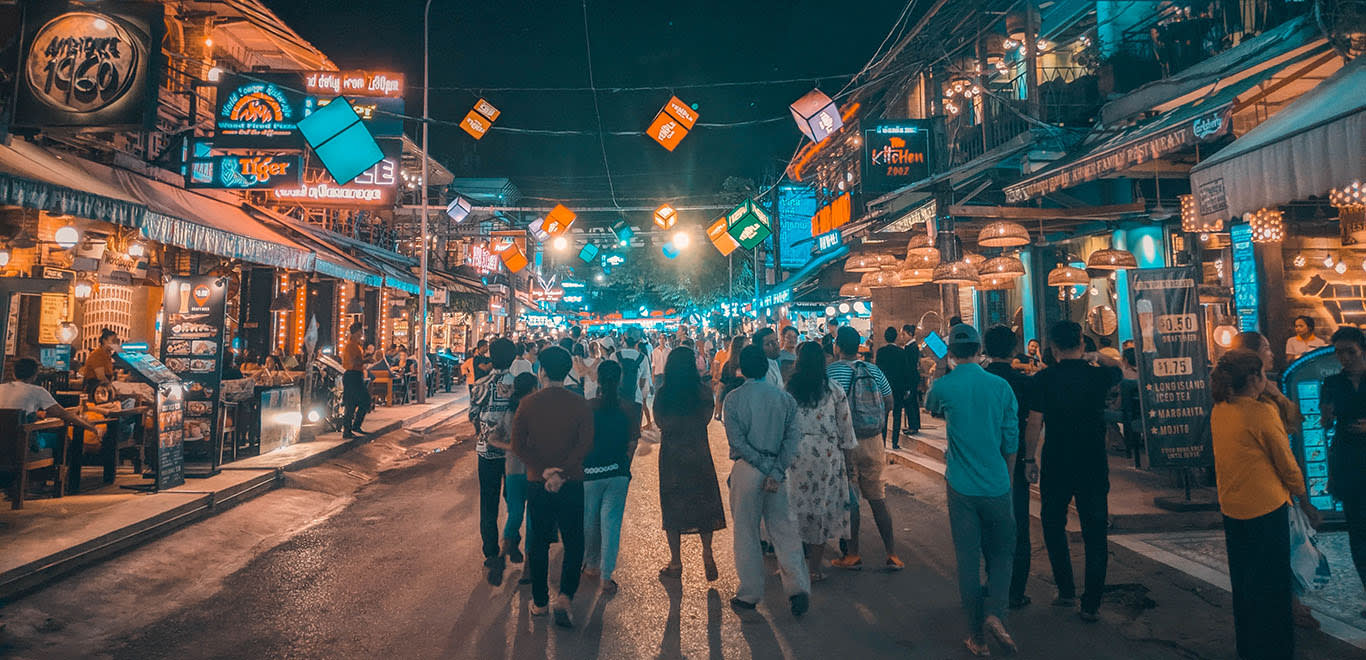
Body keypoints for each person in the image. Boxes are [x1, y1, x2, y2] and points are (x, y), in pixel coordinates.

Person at [1211, 349, 1318, 660]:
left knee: (1245, 584)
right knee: (1272, 587)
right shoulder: (1259, 413)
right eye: (1262, 373)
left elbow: (1286, 424)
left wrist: (1272, 395)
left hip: (1232, 505)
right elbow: (1285, 460)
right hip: (1265, 507)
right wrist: (1304, 498)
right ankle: (1276, 651)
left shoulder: (1222, 409)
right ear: (1254, 378)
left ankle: (1250, 648)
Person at [926, 324, 1021, 656]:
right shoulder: (1000, 386)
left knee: (968, 559)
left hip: (961, 487)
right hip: (997, 482)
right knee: (1002, 555)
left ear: (951, 351)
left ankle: (976, 637)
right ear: (980, 349)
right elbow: (1011, 438)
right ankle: (996, 611)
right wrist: (1006, 478)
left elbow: (930, 405)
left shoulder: (945, 386)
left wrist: (941, 367)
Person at [1024, 321, 1120, 621]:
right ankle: (1091, 604)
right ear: (1082, 344)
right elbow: (1118, 366)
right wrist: (1096, 357)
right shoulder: (1099, 375)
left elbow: (1034, 423)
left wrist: (1029, 460)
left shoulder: (1043, 379)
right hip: (1092, 461)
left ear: (1052, 348)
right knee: (1095, 531)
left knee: (1052, 523)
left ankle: (1066, 591)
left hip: (1057, 461)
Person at [724, 345, 811, 616]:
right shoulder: (784, 399)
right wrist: (775, 470)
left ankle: (749, 594)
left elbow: (736, 441)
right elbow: (793, 438)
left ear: (742, 368)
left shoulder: (734, 399)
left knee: (747, 534)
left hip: (747, 470)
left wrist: (761, 464)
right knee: (784, 531)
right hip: (777, 470)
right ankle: (798, 589)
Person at [511, 346, 594, 627]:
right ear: (568, 369)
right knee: (573, 541)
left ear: (541, 370)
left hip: (537, 481)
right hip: (571, 482)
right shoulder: (579, 402)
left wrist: (544, 470)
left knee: (539, 541)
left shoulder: (528, 404)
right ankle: (566, 596)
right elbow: (585, 445)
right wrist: (563, 472)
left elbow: (517, 445)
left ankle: (540, 601)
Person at [826, 326, 903, 571]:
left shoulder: (831, 372)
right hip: (873, 441)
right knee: (878, 497)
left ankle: (853, 554)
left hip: (844, 444)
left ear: (837, 347)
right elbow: (889, 401)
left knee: (852, 500)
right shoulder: (873, 369)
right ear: (858, 346)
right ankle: (891, 553)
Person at [785, 341, 858, 583]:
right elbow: (846, 430)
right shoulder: (834, 390)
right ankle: (814, 569)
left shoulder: (789, 390)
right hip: (826, 456)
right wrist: (850, 466)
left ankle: (791, 566)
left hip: (795, 455)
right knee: (819, 511)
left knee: (794, 510)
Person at [654, 347, 726, 581]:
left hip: (673, 454)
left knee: (672, 504)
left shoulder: (664, 393)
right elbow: (705, 419)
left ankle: (676, 561)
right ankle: (707, 551)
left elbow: (659, 421)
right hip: (698, 452)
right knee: (704, 501)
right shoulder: (703, 392)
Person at [981, 325, 1035, 610]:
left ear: (986, 349)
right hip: (1016, 460)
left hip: (984, 461)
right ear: (1014, 349)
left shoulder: (979, 381)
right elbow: (1032, 423)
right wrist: (1030, 459)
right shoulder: (1023, 382)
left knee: (989, 523)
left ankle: (994, 581)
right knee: (1018, 524)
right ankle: (1016, 590)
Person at [582, 360, 641, 595]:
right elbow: (632, 444)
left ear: (598, 379)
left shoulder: (587, 407)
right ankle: (606, 577)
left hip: (590, 472)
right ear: (619, 380)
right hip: (617, 472)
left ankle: (591, 565)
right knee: (611, 524)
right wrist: (625, 468)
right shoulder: (631, 408)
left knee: (590, 521)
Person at [1322, 325, 1366, 618]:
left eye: (1350, 351)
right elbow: (1326, 421)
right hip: (1349, 460)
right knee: (1359, 532)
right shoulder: (1332, 383)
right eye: (1339, 353)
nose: (1344, 358)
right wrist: (1327, 415)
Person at [470, 338, 519, 580]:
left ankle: (490, 551)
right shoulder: (518, 385)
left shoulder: (480, 384)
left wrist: (483, 434)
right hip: (513, 452)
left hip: (487, 451)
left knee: (488, 502)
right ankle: (512, 542)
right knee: (514, 500)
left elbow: (473, 415)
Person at [484, 371, 538, 576]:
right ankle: (528, 569)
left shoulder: (510, 411)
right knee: (533, 517)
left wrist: (511, 447)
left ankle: (502, 554)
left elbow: (491, 438)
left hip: (514, 468)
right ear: (533, 389)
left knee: (514, 513)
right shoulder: (537, 411)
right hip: (535, 470)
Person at [0, 356, 98, 442]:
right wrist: (91, 427)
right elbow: (63, 414)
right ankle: (59, 463)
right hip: (23, 445)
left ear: (14, 374)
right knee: (61, 439)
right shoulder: (37, 391)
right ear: (34, 376)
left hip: (3, 444)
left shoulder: (1, 388)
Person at [875, 327, 910, 450]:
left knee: (884, 415)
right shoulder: (901, 352)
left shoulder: (880, 352)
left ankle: (883, 442)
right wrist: (907, 388)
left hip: (884, 387)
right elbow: (905, 371)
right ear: (896, 337)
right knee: (897, 415)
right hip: (898, 387)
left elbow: (877, 371)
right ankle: (895, 442)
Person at [340, 322, 370, 439]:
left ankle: (354, 426)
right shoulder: (351, 346)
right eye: (361, 330)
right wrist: (366, 361)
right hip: (352, 375)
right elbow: (353, 362)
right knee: (352, 403)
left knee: (361, 401)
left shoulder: (357, 345)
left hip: (356, 375)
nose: (362, 333)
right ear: (356, 331)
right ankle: (348, 430)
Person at [80, 329, 119, 396]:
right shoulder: (98, 354)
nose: (115, 344)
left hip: (102, 388)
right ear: (104, 341)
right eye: (113, 341)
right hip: (94, 390)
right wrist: (111, 388)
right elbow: (101, 376)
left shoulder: (107, 355)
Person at [717, 336, 748, 420]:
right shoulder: (728, 366)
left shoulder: (749, 363)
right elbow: (721, 387)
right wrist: (718, 410)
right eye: (747, 345)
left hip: (747, 403)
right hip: (733, 403)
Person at [902, 324, 922, 435]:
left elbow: (909, 365)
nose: (902, 337)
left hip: (911, 377)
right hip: (912, 376)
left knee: (910, 401)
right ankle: (914, 424)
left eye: (904, 334)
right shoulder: (911, 346)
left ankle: (913, 426)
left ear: (910, 334)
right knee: (913, 401)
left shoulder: (912, 347)